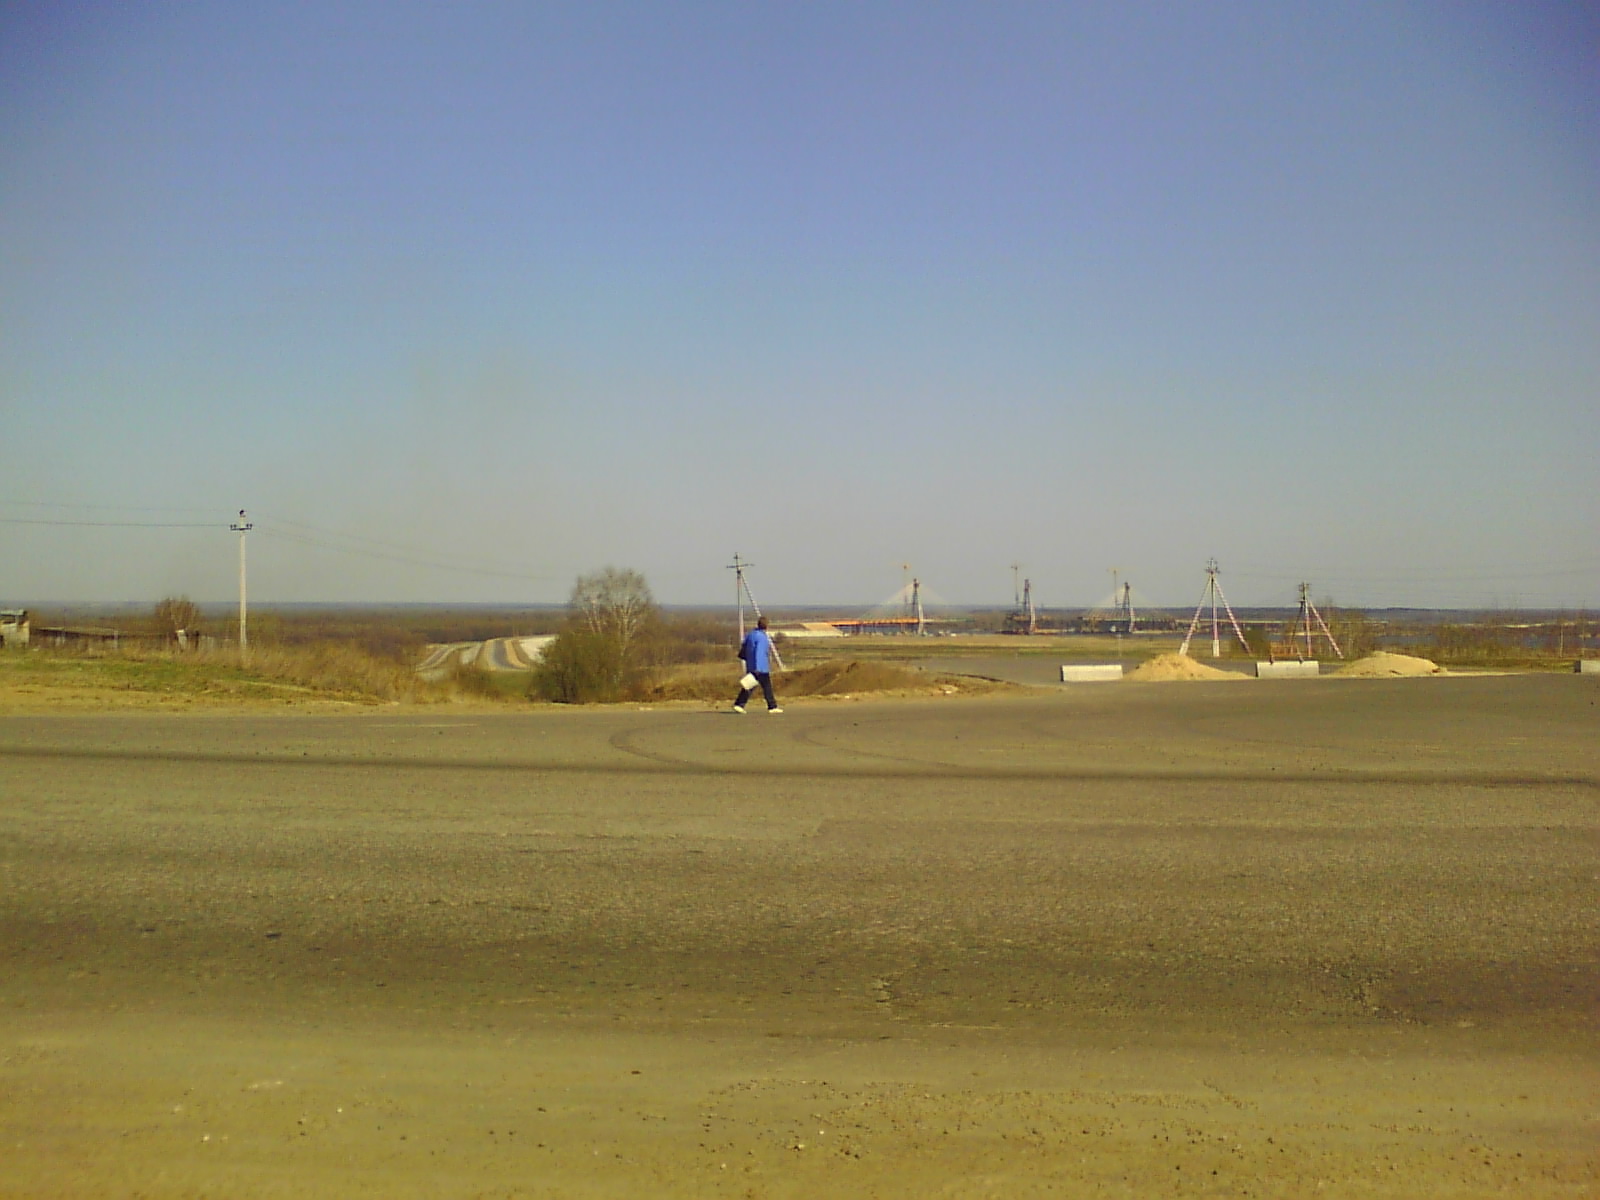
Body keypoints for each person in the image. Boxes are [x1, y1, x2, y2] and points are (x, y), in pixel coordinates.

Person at [733, 616, 782, 713]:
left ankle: (739, 704)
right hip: (760, 667)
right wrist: (758, 667)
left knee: (750, 685)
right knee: (766, 687)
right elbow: (759, 652)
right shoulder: (762, 637)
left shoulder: (751, 635)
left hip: (751, 665)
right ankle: (772, 706)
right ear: (766, 626)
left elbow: (744, 648)